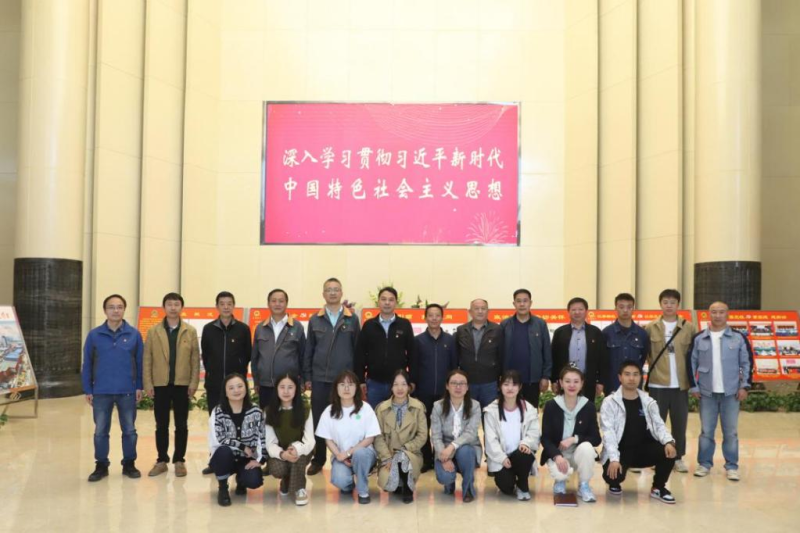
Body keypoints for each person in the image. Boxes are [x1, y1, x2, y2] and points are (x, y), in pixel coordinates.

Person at [82, 294, 144, 482]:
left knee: (129, 430)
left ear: (124, 310)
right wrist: (88, 389)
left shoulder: (134, 334)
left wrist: (139, 386)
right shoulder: (94, 335)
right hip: (101, 391)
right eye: (111, 307)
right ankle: (101, 465)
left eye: (119, 307)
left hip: (127, 391)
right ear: (105, 310)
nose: (115, 310)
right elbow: (87, 363)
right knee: (101, 431)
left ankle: (129, 463)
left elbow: (140, 362)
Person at [303, 277, 361, 476]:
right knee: (319, 420)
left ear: (341, 293)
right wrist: (307, 377)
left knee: (346, 419)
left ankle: (348, 456)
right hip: (320, 379)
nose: (333, 293)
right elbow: (308, 350)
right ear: (323, 294)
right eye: (329, 289)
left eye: (336, 289)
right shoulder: (315, 320)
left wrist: (356, 379)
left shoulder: (352, 319)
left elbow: (357, 351)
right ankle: (318, 459)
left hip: (345, 382)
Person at [690, 301, 752, 481]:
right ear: (708, 314)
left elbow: (746, 363)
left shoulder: (738, 338)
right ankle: (704, 464)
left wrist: (744, 386)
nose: (717, 315)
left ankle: (732, 466)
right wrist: (694, 386)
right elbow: (691, 363)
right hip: (706, 393)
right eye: (714, 312)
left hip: (731, 393)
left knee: (730, 432)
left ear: (727, 314)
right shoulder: (699, 338)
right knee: (706, 431)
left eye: (721, 312)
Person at [600, 361, 677, 503]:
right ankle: (615, 482)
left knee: (669, 451)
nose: (631, 378)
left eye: (635, 374)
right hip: (620, 451)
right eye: (627, 374)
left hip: (642, 450)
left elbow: (659, 425)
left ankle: (658, 487)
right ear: (620, 377)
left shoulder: (648, 402)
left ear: (641, 377)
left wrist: (668, 442)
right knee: (613, 477)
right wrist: (614, 459)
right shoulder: (610, 402)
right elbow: (608, 433)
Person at [143, 292, 200, 477]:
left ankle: (179, 460)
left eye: (176, 304)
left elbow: (195, 360)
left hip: (182, 385)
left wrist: (193, 382)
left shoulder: (190, 331)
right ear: (164, 307)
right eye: (169, 304)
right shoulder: (154, 331)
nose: (173, 308)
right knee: (161, 425)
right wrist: (148, 383)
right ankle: (161, 460)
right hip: (160, 384)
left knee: (181, 425)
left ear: (181, 307)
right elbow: (147, 359)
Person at [644, 289, 697, 473]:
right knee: (656, 423)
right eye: (665, 302)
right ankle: (656, 456)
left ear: (678, 305)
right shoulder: (651, 327)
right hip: (657, 383)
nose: (669, 306)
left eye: (672, 302)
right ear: (660, 304)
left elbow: (694, 355)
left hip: (680, 384)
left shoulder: (688, 327)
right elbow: (646, 354)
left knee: (679, 424)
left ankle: (678, 457)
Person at [201, 291, 252, 475]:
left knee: (238, 422)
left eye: (229, 303)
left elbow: (247, 355)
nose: (226, 307)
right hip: (215, 385)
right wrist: (212, 372)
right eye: (222, 303)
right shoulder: (208, 329)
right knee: (216, 423)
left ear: (233, 306)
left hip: (236, 387)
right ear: (217, 306)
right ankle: (215, 460)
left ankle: (240, 459)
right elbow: (206, 355)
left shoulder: (243, 329)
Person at [315, 370, 381, 504]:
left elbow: (370, 438)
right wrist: (339, 455)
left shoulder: (365, 408)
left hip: (364, 453)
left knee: (360, 454)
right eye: (342, 385)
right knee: (339, 480)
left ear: (356, 388)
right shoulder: (329, 411)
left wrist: (349, 452)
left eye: (350, 385)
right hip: (340, 455)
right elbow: (328, 439)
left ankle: (363, 491)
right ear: (336, 388)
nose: (346, 388)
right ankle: (349, 484)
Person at [540, 367, 601, 503]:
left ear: (582, 383)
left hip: (578, 454)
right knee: (560, 474)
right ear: (561, 383)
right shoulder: (551, 405)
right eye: (567, 381)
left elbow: (596, 439)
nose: (572, 385)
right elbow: (546, 438)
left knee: (587, 448)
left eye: (576, 381)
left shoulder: (588, 406)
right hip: (559, 454)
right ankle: (560, 481)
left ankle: (584, 485)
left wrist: (574, 439)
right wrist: (557, 456)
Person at [208, 373, 266, 506]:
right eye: (231, 388)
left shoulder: (256, 411)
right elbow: (219, 439)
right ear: (225, 392)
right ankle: (223, 487)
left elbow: (262, 437)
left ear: (246, 388)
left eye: (240, 386)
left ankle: (241, 480)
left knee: (254, 480)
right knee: (224, 451)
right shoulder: (218, 411)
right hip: (224, 457)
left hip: (245, 459)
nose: (236, 390)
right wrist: (242, 446)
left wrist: (260, 460)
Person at [411, 303, 456, 472]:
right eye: (431, 315)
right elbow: (413, 365)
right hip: (423, 391)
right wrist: (413, 387)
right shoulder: (418, 341)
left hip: (445, 393)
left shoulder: (450, 340)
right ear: (425, 318)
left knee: (444, 427)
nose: (434, 318)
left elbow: (454, 366)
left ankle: (442, 457)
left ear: (442, 318)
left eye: (437, 315)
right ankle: (426, 459)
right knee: (423, 427)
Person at [483, 370, 540, 501]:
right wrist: (502, 458)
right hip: (501, 459)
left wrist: (526, 443)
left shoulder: (528, 409)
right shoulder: (491, 410)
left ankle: (522, 484)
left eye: (514, 384)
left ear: (520, 387)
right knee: (507, 487)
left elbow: (534, 432)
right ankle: (511, 480)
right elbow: (490, 440)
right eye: (506, 384)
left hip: (520, 454)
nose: (510, 388)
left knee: (524, 454)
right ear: (500, 386)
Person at [355, 287, 415, 408]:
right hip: (374, 384)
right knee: (374, 416)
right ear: (378, 301)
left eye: (391, 300)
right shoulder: (369, 325)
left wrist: (412, 380)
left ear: (396, 302)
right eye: (383, 299)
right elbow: (360, 354)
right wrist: (360, 380)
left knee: (398, 416)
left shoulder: (404, 324)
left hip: (399, 383)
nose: (387, 303)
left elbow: (413, 354)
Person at [374, 370, 427, 504]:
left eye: (403, 384)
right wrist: (387, 458)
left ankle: (408, 487)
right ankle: (399, 481)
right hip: (388, 457)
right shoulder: (381, 409)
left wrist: (404, 450)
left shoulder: (418, 407)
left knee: (403, 457)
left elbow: (422, 435)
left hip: (411, 454)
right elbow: (378, 437)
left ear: (409, 387)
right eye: (396, 384)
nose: (400, 388)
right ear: (391, 387)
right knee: (389, 484)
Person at [430, 369, 482, 503]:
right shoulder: (438, 406)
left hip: (466, 447)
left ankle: (468, 489)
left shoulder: (475, 406)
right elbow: (436, 436)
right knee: (445, 477)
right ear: (447, 386)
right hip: (444, 449)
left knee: (466, 451)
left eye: (462, 383)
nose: (458, 387)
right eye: (454, 383)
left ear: (467, 387)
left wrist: (452, 447)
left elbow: (470, 433)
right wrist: (444, 456)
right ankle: (449, 483)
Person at [264, 373, 315, 506]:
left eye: (290, 387)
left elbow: (310, 440)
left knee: (297, 451)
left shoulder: (305, 409)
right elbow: (270, 443)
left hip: (303, 451)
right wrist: (282, 454)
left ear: (296, 389)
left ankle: (299, 489)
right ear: (276, 389)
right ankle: (286, 480)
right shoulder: (269, 411)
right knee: (277, 469)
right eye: (282, 387)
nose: (286, 391)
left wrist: (297, 449)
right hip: (280, 452)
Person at [252, 289, 306, 408]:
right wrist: (256, 381)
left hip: (289, 385)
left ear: (286, 303)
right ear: (268, 304)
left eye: (281, 301)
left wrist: (302, 381)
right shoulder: (260, 328)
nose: (277, 304)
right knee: (267, 417)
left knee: (288, 418)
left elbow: (303, 356)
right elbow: (255, 357)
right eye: (274, 301)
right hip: (265, 385)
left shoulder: (297, 327)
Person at [500, 289, 552, 407]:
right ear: (514, 304)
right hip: (510, 381)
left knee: (531, 412)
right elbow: (499, 353)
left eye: (525, 301)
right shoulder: (505, 325)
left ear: (530, 303)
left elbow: (547, 352)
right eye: (518, 301)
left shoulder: (540, 324)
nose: (522, 304)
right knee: (509, 411)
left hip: (532, 380)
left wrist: (545, 376)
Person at [551, 297, 607, 402]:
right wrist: (554, 380)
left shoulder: (595, 332)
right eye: (573, 309)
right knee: (566, 407)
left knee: (586, 407)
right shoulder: (560, 332)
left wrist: (600, 381)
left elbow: (602, 358)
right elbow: (554, 357)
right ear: (568, 312)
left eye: (580, 309)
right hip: (566, 381)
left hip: (588, 380)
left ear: (586, 311)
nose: (577, 312)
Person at [455, 299, 504, 408]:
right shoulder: (461, 330)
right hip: (467, 382)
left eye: (483, 308)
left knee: (489, 414)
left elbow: (502, 356)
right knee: (468, 414)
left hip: (490, 382)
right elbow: (456, 355)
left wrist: (501, 378)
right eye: (476, 308)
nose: (480, 311)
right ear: (470, 312)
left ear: (488, 311)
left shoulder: (497, 330)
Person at [602, 293, 649, 393]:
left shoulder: (642, 334)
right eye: (621, 307)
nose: (625, 310)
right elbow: (602, 360)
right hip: (612, 384)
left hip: (634, 384)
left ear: (633, 309)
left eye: (629, 307)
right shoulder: (606, 333)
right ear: (615, 308)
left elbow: (643, 358)